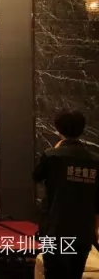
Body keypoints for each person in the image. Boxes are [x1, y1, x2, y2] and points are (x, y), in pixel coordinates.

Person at [33, 111, 99, 279]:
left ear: (58, 129)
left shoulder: (52, 156)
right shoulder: (94, 160)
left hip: (56, 230)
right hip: (84, 232)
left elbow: (37, 176)